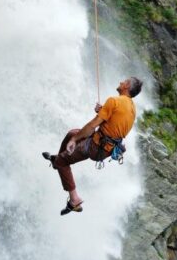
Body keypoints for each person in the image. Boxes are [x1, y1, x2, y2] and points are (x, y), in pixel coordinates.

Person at [43, 77, 142, 215]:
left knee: (64, 159)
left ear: (127, 87)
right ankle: (57, 160)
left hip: (96, 146)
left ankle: (74, 200)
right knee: (72, 133)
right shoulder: (131, 108)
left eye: (123, 81)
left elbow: (92, 126)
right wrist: (102, 111)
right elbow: (115, 123)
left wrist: (75, 140)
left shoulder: (114, 101)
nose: (120, 82)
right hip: (107, 148)